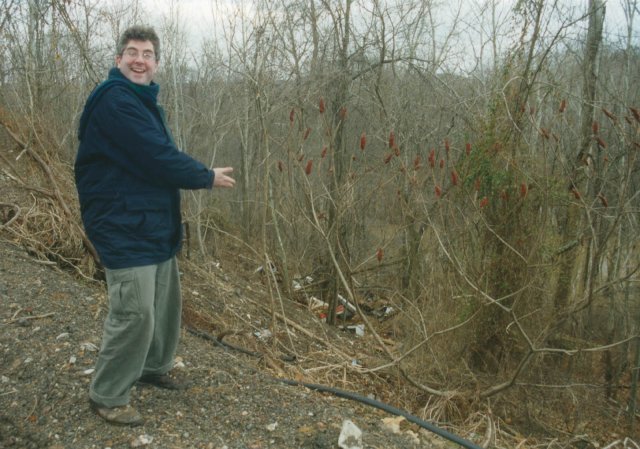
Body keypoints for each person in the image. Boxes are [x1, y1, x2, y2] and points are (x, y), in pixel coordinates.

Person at [74, 25, 235, 426]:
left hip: (150, 224)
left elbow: (152, 160)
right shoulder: (116, 101)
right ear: (118, 60)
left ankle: (151, 366)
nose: (139, 60)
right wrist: (204, 176)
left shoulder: (142, 101)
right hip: (122, 223)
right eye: (131, 52)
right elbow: (156, 156)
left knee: (164, 304)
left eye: (146, 54)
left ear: (156, 63)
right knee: (134, 312)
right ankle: (108, 393)